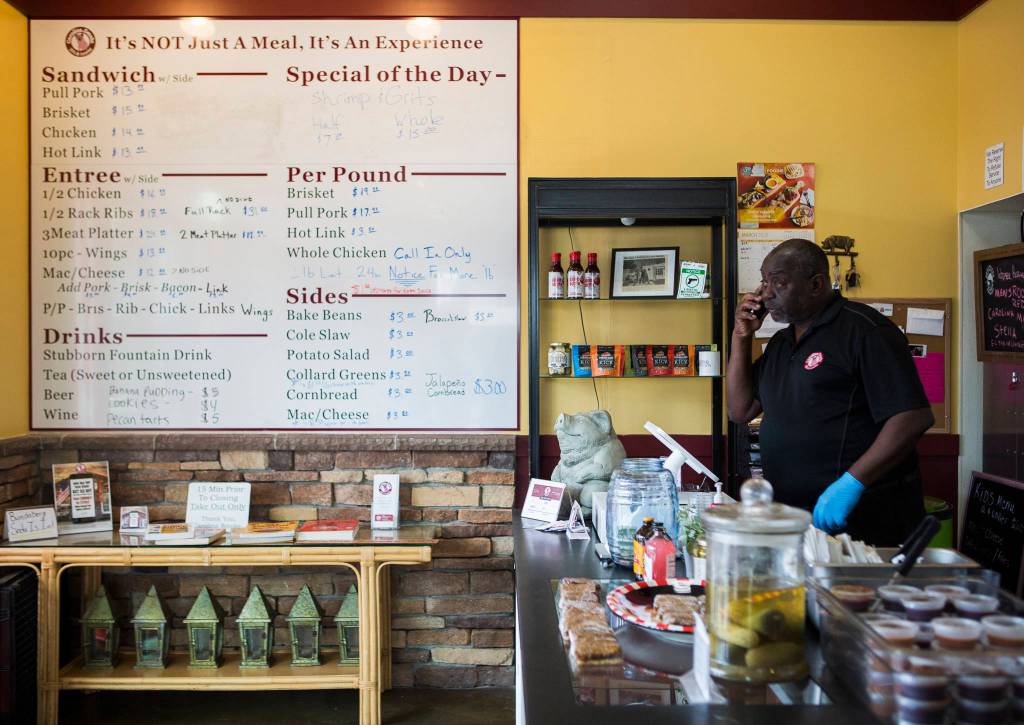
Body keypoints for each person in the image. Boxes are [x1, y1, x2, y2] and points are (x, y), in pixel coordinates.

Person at [726, 239, 934, 546]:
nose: (766, 293)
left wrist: (853, 482)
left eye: (779, 283)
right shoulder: (782, 344)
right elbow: (740, 410)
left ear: (816, 284)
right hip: (796, 519)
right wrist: (741, 336)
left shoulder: (865, 331)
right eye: (764, 281)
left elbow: (913, 417)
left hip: (864, 518)